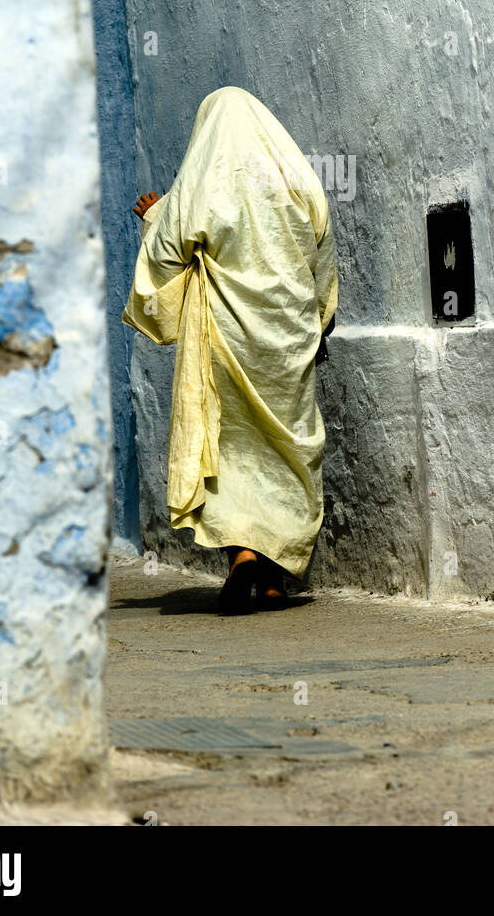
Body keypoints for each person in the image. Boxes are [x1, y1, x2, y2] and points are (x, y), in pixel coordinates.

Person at [123, 87, 338, 613]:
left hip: (226, 338)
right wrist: (317, 319)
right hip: (286, 336)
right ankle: (272, 579)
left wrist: (155, 220)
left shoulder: (201, 179)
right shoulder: (296, 176)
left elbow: (170, 254)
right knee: (285, 449)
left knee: (232, 450)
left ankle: (242, 554)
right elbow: (322, 251)